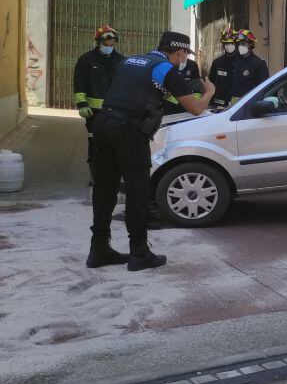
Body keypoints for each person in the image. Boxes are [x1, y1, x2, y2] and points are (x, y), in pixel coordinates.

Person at [88, 31, 216, 271]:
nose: (183, 59)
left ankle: (99, 250)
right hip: (128, 131)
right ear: (179, 52)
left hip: (103, 125)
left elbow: (134, 90)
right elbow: (196, 108)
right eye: (184, 54)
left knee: (105, 189)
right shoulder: (167, 70)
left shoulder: (129, 61)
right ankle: (139, 253)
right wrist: (209, 92)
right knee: (138, 191)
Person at [73, 25, 124, 184]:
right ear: (98, 42)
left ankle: (115, 175)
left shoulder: (121, 61)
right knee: (95, 143)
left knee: (116, 143)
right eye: (105, 44)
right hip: (93, 113)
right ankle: (95, 175)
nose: (108, 47)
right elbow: (79, 83)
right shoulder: (86, 60)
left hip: (116, 112)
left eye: (111, 45)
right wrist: (82, 104)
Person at [228, 29, 270, 104]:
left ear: (251, 45)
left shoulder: (259, 64)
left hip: (249, 106)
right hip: (232, 106)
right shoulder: (234, 62)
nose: (240, 46)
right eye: (239, 44)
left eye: (243, 43)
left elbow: (264, 88)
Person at [208, 28, 238, 108]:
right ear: (223, 45)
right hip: (219, 105)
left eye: (232, 43)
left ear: (236, 44)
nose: (229, 46)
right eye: (226, 44)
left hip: (237, 106)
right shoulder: (217, 63)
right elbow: (211, 83)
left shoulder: (243, 63)